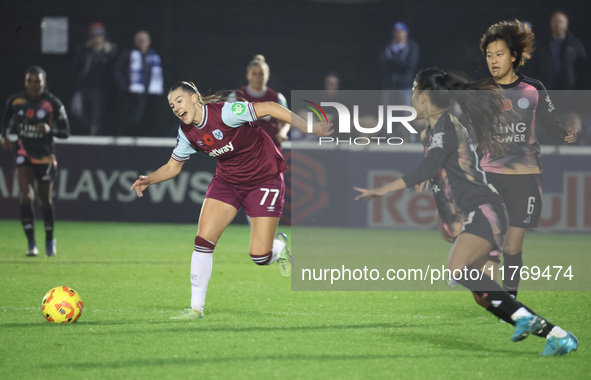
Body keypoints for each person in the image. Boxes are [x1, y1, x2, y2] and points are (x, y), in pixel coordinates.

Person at [354, 68, 578, 356]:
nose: (411, 98)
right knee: (485, 298)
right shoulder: (433, 131)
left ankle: (529, 321)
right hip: (479, 211)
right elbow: (438, 177)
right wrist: (445, 220)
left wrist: (381, 190)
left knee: (457, 269)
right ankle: (557, 336)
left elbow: (428, 169)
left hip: (485, 209)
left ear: (424, 97)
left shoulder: (447, 126)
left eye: (413, 92)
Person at [130, 81, 331, 320]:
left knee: (260, 256)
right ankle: (195, 308)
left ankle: (278, 248)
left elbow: (269, 107)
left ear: (194, 98)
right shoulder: (186, 133)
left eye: (179, 101)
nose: (175, 107)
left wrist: (306, 127)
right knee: (203, 240)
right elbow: (173, 166)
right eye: (172, 105)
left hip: (264, 179)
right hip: (228, 182)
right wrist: (149, 180)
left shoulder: (226, 112)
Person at [478, 20, 577, 299]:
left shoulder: (533, 90)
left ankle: (510, 300)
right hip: (489, 173)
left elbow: (551, 124)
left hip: (525, 176)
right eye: (488, 55)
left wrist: (565, 135)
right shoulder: (481, 92)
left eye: (499, 54)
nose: (493, 60)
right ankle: (490, 296)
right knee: (487, 239)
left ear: (513, 56)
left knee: (512, 246)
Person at [0, 66, 70, 257]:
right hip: (23, 153)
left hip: (45, 157)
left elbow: (66, 132)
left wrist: (50, 130)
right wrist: (4, 136)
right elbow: (5, 120)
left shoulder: (52, 103)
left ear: (43, 82)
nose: (33, 85)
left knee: (45, 201)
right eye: (30, 81)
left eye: (37, 81)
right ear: (25, 83)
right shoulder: (15, 101)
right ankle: (31, 243)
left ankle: (49, 238)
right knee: (26, 196)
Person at [228, 55, 290, 150]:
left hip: (270, 148)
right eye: (254, 73)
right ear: (247, 75)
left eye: (261, 74)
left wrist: (282, 132)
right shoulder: (236, 96)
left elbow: (286, 120)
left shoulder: (277, 98)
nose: (258, 77)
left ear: (268, 75)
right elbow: (227, 120)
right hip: (243, 149)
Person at [113, 30, 164, 136]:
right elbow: (117, 69)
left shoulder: (153, 55)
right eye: (139, 40)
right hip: (132, 94)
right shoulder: (129, 53)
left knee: (148, 116)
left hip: (150, 93)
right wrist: (123, 86)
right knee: (132, 116)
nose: (142, 42)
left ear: (149, 41)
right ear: (135, 41)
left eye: (144, 40)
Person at [70, 22, 117, 136]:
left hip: (99, 88)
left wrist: (108, 52)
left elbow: (113, 67)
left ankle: (95, 133)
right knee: (76, 110)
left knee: (97, 114)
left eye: (99, 36)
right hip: (83, 86)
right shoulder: (85, 50)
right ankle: (88, 126)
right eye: (94, 36)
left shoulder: (108, 50)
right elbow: (76, 66)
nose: (96, 38)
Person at [379, 21, 420, 142]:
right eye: (396, 32)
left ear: (406, 33)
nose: (399, 34)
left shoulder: (412, 46)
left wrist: (393, 62)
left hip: (405, 86)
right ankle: (388, 136)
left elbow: (409, 64)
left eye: (401, 31)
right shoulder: (386, 47)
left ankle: (409, 137)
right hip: (389, 85)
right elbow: (383, 64)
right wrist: (398, 63)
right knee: (387, 112)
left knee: (406, 112)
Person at [533, 11, 588, 90]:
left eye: (560, 22)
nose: (557, 24)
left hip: (569, 89)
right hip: (547, 88)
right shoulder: (542, 44)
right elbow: (535, 65)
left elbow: (583, 68)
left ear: (566, 24)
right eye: (555, 22)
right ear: (551, 24)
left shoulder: (575, 44)